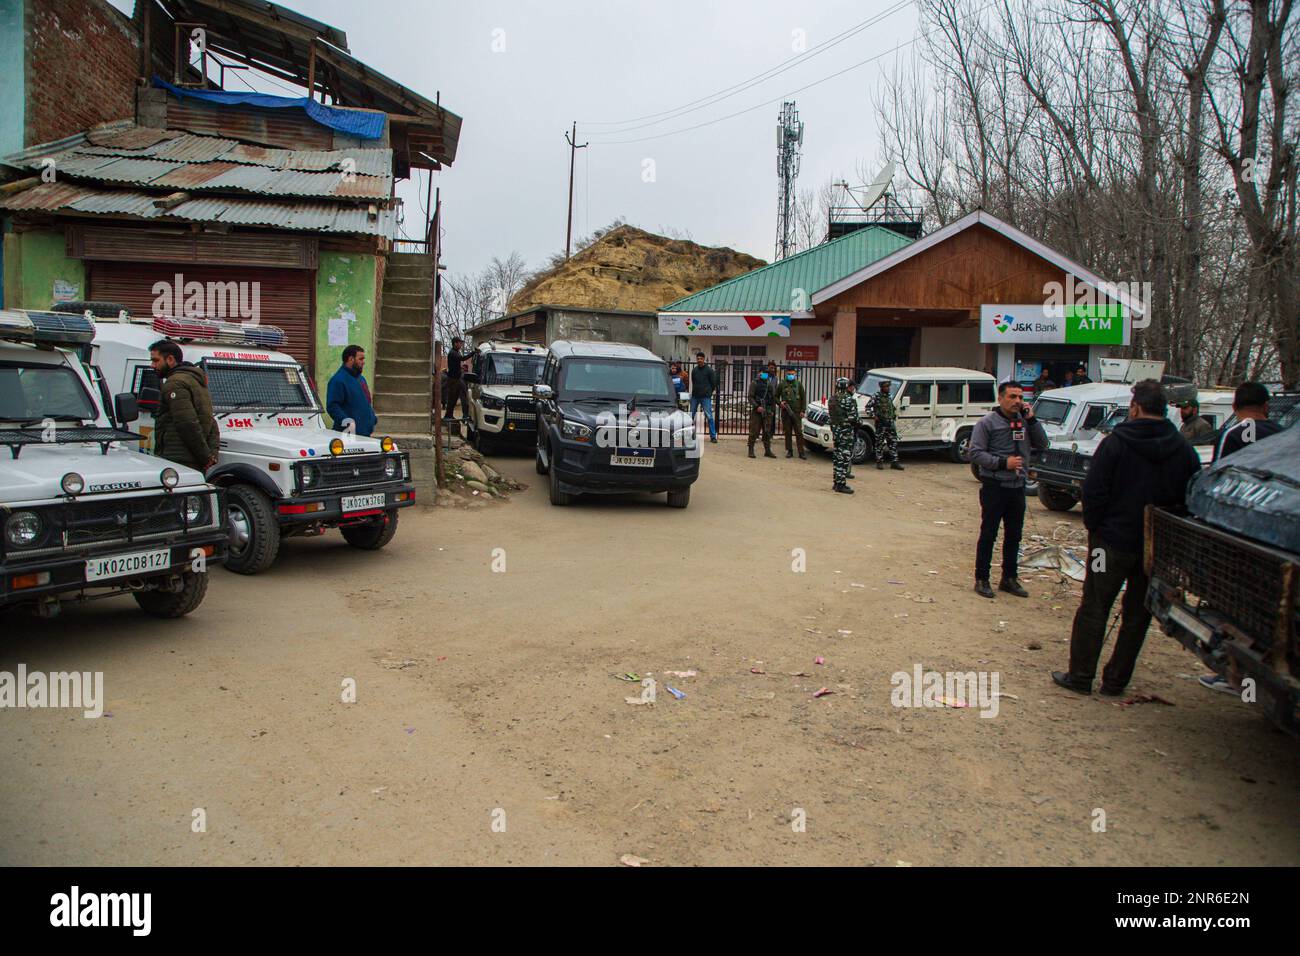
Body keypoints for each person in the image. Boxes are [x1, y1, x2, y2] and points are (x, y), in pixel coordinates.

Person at [1052, 380, 1202, 696]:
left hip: (1111, 542)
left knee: (1094, 606)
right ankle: (1116, 680)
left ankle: (1081, 676)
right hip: (1156, 547)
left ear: (1135, 408)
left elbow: (1092, 491)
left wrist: (1097, 529)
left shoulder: (1116, 444)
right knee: (1137, 614)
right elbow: (1191, 502)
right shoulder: (1185, 451)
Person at [1198, 381, 1285, 694]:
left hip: (1237, 536)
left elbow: (1216, 483)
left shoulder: (1233, 436)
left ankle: (1233, 673)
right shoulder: (1282, 438)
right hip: (1277, 538)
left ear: (1235, 408)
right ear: (1265, 406)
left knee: (1235, 608)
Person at [967, 380, 1049, 599]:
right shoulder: (987, 423)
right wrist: (1003, 463)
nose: (1017, 402)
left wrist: (1032, 420)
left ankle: (1009, 578)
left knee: (1014, 535)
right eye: (1012, 397)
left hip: (1017, 487)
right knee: (989, 534)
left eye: (1020, 397)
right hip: (995, 486)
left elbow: (1043, 444)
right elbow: (974, 453)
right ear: (1000, 398)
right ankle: (982, 578)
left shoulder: (1025, 422)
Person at [149, 339, 220, 472]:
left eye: (156, 360)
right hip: (192, 459)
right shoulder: (196, 380)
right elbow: (210, 419)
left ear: (170, 359)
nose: (152, 365)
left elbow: (187, 422)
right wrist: (211, 454)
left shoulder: (174, 383)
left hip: (178, 459)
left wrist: (205, 456)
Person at [1213, 381, 1282, 462]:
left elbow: (1217, 471)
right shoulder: (1283, 433)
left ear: (1234, 407)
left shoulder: (1230, 436)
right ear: (1265, 406)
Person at [327, 344, 377, 437]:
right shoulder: (338, 380)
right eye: (361, 359)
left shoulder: (361, 379)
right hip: (348, 437)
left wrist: (372, 418)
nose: (364, 362)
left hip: (364, 434)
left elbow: (366, 401)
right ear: (351, 359)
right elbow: (332, 407)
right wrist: (348, 423)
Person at [828, 376, 858, 494]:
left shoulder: (832, 399)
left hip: (836, 431)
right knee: (844, 457)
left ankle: (836, 482)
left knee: (837, 456)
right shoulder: (849, 399)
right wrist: (858, 422)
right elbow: (854, 418)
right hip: (846, 432)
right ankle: (841, 484)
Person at [867, 379, 903, 470]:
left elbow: (891, 408)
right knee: (879, 443)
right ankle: (879, 462)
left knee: (893, 443)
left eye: (888, 386)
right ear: (882, 388)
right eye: (886, 387)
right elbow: (868, 407)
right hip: (881, 424)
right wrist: (873, 415)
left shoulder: (889, 397)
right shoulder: (876, 396)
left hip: (890, 423)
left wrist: (893, 415)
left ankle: (894, 462)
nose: (888, 388)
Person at [776, 366, 807, 459]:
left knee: (799, 432)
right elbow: (775, 396)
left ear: (795, 374)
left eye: (792, 374)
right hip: (786, 412)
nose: (791, 376)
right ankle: (789, 451)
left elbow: (803, 398)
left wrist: (803, 410)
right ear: (786, 374)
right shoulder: (782, 384)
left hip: (797, 413)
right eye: (789, 374)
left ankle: (801, 452)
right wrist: (780, 403)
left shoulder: (799, 384)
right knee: (788, 432)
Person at [747, 366, 777, 459]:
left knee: (767, 431)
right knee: (754, 431)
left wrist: (772, 411)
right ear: (759, 373)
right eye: (764, 372)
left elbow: (773, 398)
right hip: (757, 411)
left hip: (767, 411)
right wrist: (757, 406)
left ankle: (767, 451)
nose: (765, 374)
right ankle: (751, 450)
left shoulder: (769, 384)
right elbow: (750, 397)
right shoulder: (754, 383)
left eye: (766, 373)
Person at [689, 352, 718, 443]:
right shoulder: (694, 370)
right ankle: (689, 435)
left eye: (701, 358)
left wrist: (709, 392)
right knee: (691, 416)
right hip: (695, 396)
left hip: (705, 397)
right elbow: (693, 381)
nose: (699, 360)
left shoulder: (709, 370)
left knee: (709, 416)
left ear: (704, 359)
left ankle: (713, 436)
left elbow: (713, 383)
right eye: (698, 359)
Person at [444, 336, 472, 421]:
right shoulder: (453, 353)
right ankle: (448, 416)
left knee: (457, 396)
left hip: (457, 378)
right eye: (459, 343)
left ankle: (451, 415)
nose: (461, 345)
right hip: (453, 379)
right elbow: (462, 358)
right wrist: (473, 352)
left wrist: (460, 368)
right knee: (452, 398)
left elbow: (457, 362)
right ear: (455, 343)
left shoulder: (457, 352)